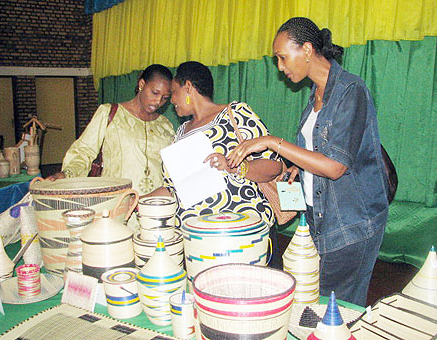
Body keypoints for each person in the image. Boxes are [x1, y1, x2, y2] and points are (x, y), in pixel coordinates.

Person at [228, 17, 389, 306]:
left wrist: (272, 142)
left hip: (351, 223)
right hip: (321, 220)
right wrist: (295, 169)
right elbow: (317, 155)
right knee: (316, 303)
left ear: (306, 49)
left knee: (336, 310)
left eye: (282, 57)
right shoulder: (315, 94)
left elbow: (334, 167)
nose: (280, 66)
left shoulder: (351, 91)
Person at [147, 61, 283, 261]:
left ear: (188, 87)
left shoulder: (235, 113)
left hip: (241, 236)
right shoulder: (180, 133)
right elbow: (172, 188)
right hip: (197, 242)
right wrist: (139, 200)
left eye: (174, 92)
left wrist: (234, 166)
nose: (171, 100)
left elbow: (273, 166)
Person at [47, 64, 175, 196]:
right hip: (119, 203)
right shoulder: (109, 113)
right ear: (142, 84)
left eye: (165, 98)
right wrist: (67, 174)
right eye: (155, 93)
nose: (158, 101)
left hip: (155, 206)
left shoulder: (165, 125)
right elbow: (84, 151)